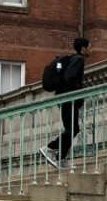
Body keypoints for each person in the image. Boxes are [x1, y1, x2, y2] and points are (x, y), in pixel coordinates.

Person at [38, 37, 90, 170]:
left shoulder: (73, 58)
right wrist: (79, 92)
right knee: (73, 129)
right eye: (90, 46)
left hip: (65, 98)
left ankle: (61, 158)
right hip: (69, 98)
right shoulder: (79, 59)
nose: (92, 49)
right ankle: (50, 147)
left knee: (72, 129)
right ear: (83, 48)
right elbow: (69, 77)